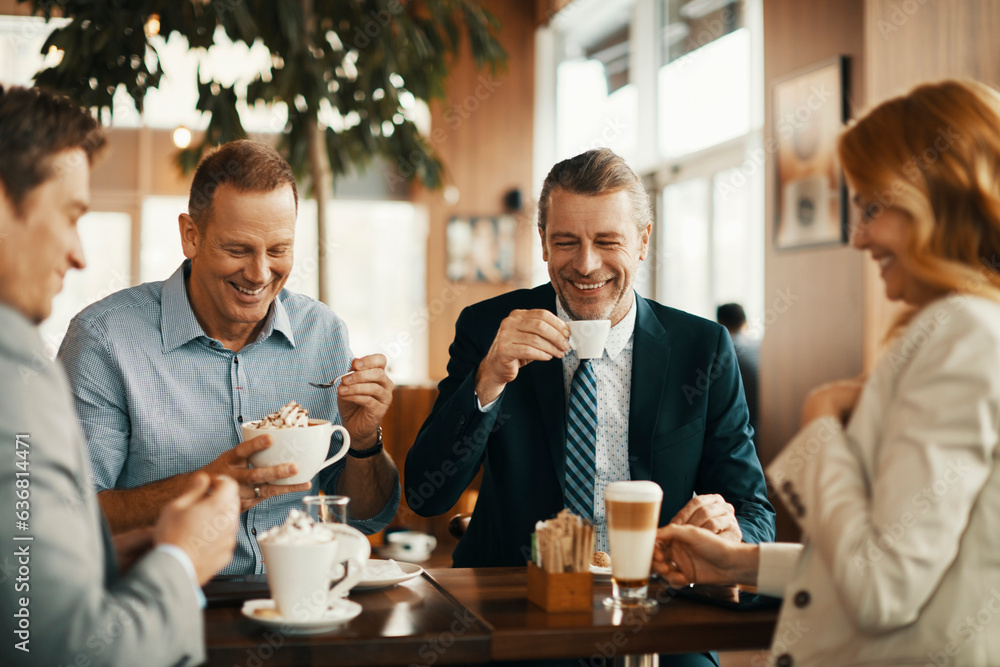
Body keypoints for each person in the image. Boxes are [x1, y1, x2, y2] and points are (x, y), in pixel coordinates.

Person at [653, 79, 1000, 666]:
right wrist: (737, 563)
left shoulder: (961, 335)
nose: (859, 236)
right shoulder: (964, 328)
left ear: (936, 198)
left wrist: (819, 426)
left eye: (872, 208)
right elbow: (899, 557)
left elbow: (881, 589)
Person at [406, 149, 774, 563]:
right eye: (566, 242)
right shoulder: (488, 328)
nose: (585, 264)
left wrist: (730, 531)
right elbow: (427, 495)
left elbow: (753, 512)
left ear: (643, 241)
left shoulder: (703, 349)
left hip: (650, 594)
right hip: (515, 596)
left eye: (607, 241)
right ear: (543, 242)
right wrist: (488, 378)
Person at [58, 140, 400, 575]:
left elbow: (365, 516)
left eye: (278, 250)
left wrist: (366, 442)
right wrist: (205, 488)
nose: (259, 274)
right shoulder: (104, 340)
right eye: (238, 250)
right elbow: (69, 516)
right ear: (191, 235)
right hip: (165, 607)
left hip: (303, 598)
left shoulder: (323, 334)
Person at [0, 85, 240, 666]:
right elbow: (65, 651)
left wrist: (99, 559)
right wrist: (180, 562)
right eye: (71, 215)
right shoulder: (18, 370)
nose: (80, 253)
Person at [717, 303, 760, 432]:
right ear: (744, 321)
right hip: (763, 414)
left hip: (744, 419)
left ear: (719, 322)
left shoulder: (724, 350)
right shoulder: (757, 345)